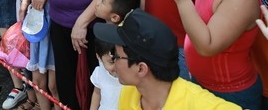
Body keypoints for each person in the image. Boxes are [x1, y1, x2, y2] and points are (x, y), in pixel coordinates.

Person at [93, 9, 242, 110]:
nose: (112, 63)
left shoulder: (199, 104)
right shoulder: (129, 94)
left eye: (115, 56)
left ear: (141, 69)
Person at [91, 0, 141, 110]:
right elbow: (97, 92)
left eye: (102, 1)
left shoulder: (129, 53)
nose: (97, 3)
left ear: (114, 17)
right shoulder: (102, 67)